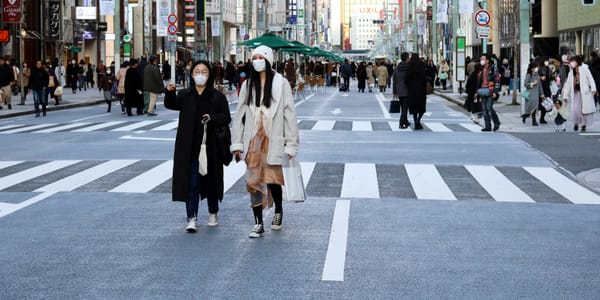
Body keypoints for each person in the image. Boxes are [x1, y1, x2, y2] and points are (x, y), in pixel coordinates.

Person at [230, 45, 299, 238]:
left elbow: (289, 114)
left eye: (261, 57)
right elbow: (239, 115)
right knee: (252, 181)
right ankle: (258, 223)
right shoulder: (247, 84)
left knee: (273, 180)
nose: (257, 60)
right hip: (253, 140)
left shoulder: (281, 83)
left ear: (268, 60)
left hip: (273, 138)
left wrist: (291, 144)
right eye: (255, 57)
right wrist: (237, 144)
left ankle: (278, 210)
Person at [164, 61, 231, 233]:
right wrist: (169, 93)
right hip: (189, 147)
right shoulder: (186, 95)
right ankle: (191, 217)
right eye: (196, 71)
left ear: (209, 75)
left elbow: (226, 117)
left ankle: (213, 212)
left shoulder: (216, 96)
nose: (200, 74)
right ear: (191, 74)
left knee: (211, 182)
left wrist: (212, 118)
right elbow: (171, 105)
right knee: (191, 183)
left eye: (204, 71)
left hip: (211, 147)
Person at [562, 55, 597, 132]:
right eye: (571, 61)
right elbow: (568, 84)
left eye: (573, 61)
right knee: (575, 109)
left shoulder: (584, 69)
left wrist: (593, 89)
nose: (572, 63)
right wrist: (565, 96)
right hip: (575, 93)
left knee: (583, 110)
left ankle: (583, 125)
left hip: (584, 93)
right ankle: (576, 123)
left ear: (577, 62)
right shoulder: (571, 72)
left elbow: (590, 79)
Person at [475, 54, 501, 132]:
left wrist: (495, 92)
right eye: (481, 59)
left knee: (489, 107)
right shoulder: (480, 69)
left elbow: (497, 80)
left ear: (487, 60)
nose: (481, 60)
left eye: (483, 59)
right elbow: (479, 82)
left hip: (490, 91)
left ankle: (496, 123)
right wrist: (477, 92)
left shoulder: (493, 69)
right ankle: (487, 126)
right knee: (484, 109)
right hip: (482, 91)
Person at [406, 53, 427, 130]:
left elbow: (406, 79)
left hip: (411, 90)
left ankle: (415, 121)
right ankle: (418, 120)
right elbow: (424, 77)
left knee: (414, 107)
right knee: (421, 107)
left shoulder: (409, 65)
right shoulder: (421, 65)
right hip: (421, 90)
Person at [393, 52, 411, 129]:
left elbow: (394, 81)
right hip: (407, 90)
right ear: (407, 58)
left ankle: (405, 121)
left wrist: (394, 91)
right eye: (409, 57)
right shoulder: (410, 68)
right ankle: (401, 123)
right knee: (405, 108)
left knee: (403, 107)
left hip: (399, 90)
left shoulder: (397, 68)